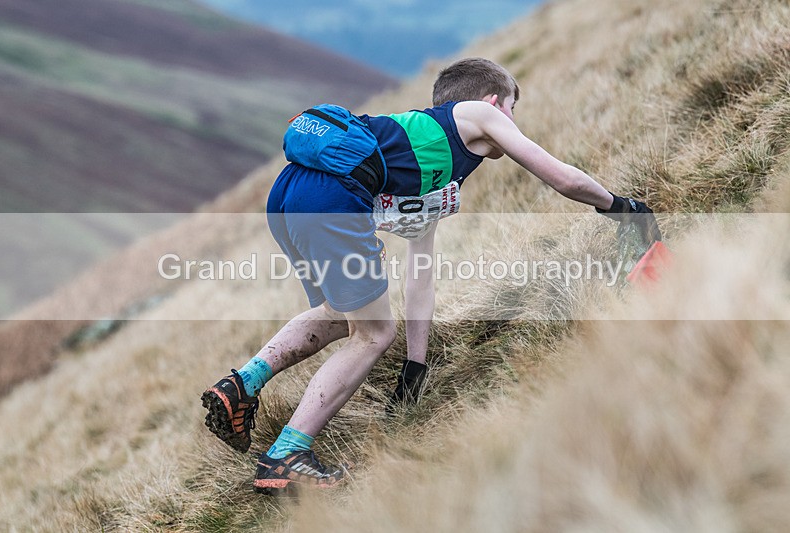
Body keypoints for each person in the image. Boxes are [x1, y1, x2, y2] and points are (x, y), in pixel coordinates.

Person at [201, 57, 660, 494]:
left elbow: (420, 270)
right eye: (514, 110)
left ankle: (243, 383)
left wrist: (415, 366)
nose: (514, 123)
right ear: (495, 101)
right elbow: (561, 178)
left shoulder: (427, 159)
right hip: (331, 199)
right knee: (375, 333)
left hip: (289, 195)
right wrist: (622, 208)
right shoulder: (479, 113)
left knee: (341, 314)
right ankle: (287, 454)